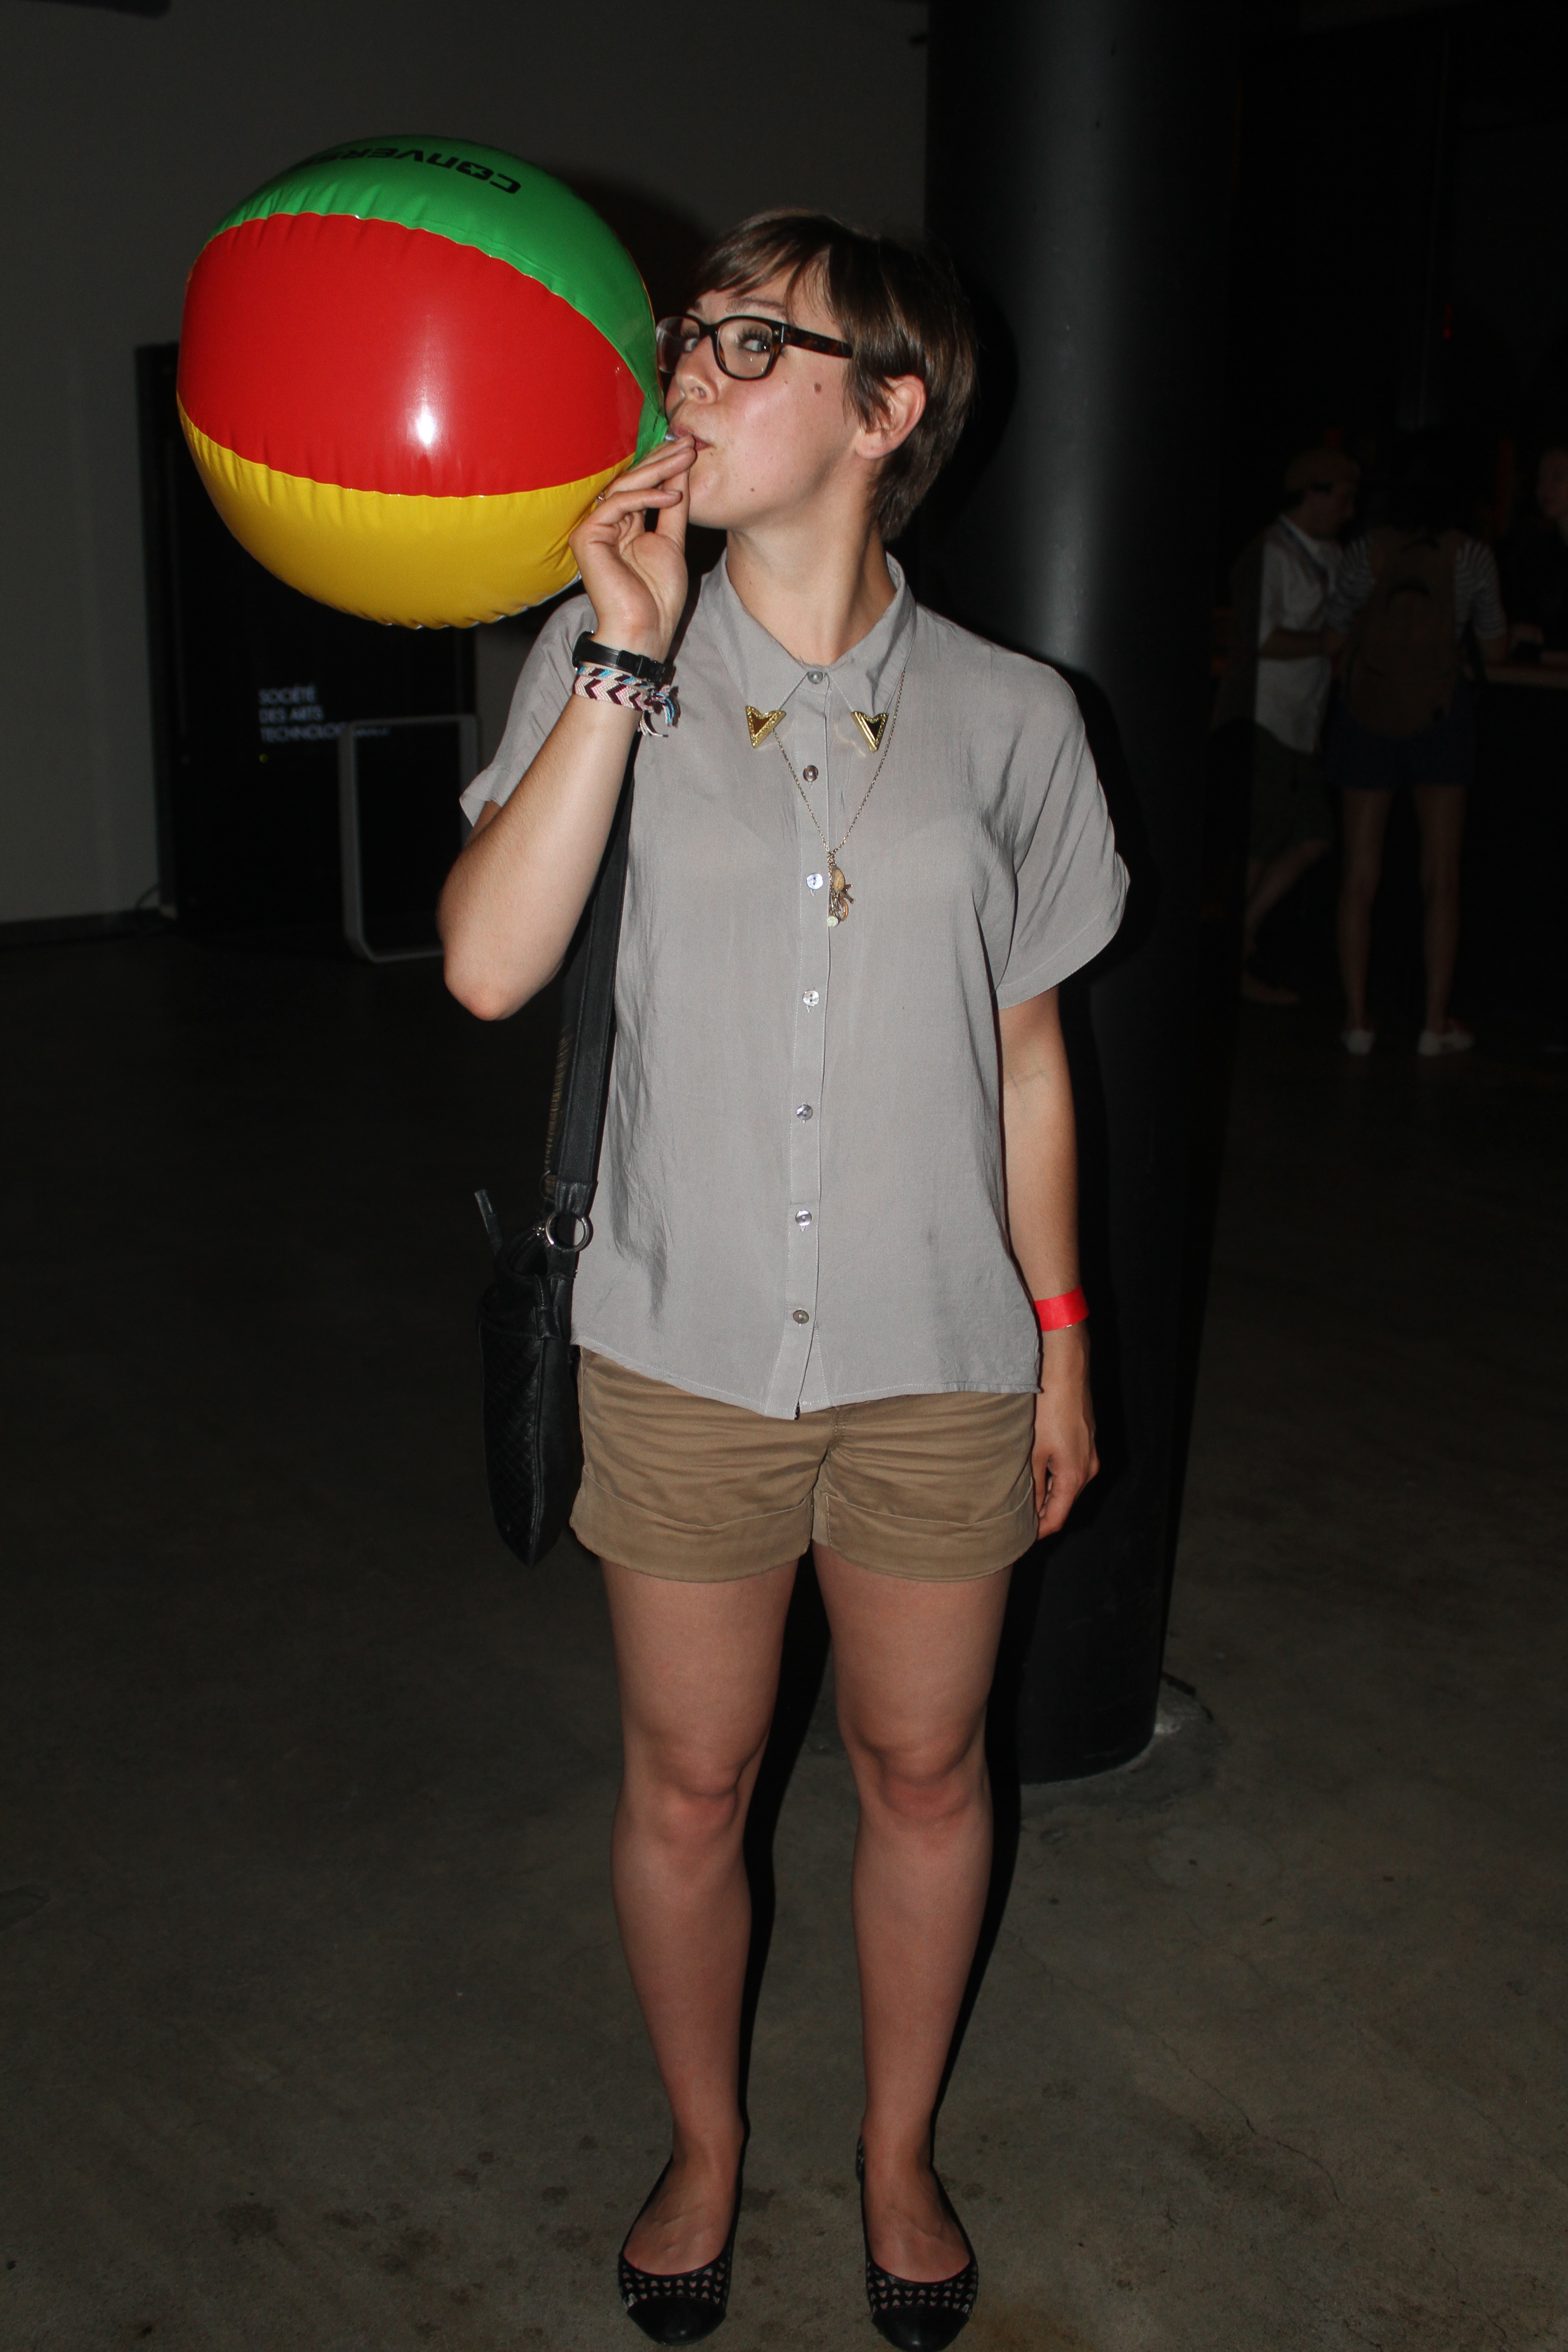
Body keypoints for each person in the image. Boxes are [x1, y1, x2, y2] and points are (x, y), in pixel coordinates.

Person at [438, 211, 1125, 2348]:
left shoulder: (1015, 718)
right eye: (685, 339)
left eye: (748, 341)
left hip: (934, 1348)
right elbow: (481, 966)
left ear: (881, 409)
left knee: (925, 1771)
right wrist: (619, 656)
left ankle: (894, 2146)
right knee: (688, 1781)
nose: (688, 375)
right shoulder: (595, 655)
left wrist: (1057, 1346)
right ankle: (709, 2141)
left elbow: (1025, 1060)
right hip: (679, 1340)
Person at [1324, 460, 1508, 1056]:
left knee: (1358, 874)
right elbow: (1494, 642)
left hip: (1368, 713)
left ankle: (1356, 1020)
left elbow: (1336, 626)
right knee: (1442, 877)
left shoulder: (1367, 551)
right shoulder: (1472, 557)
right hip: (1439, 716)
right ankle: (1434, 1022)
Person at [1212, 448, 1359, 1003]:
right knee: (1288, 838)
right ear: (1315, 493)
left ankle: (1233, 949)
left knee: (1293, 839)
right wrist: (1326, 643)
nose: (1350, 510)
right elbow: (1260, 638)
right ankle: (1234, 952)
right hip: (1263, 717)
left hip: (1301, 723)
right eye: (1344, 497)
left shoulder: (1335, 556)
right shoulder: (1270, 553)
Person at [1505, 441, 1568, 664]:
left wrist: (1538, 639)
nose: (1545, 488)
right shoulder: (1539, 551)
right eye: (1541, 478)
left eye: (1558, 477)